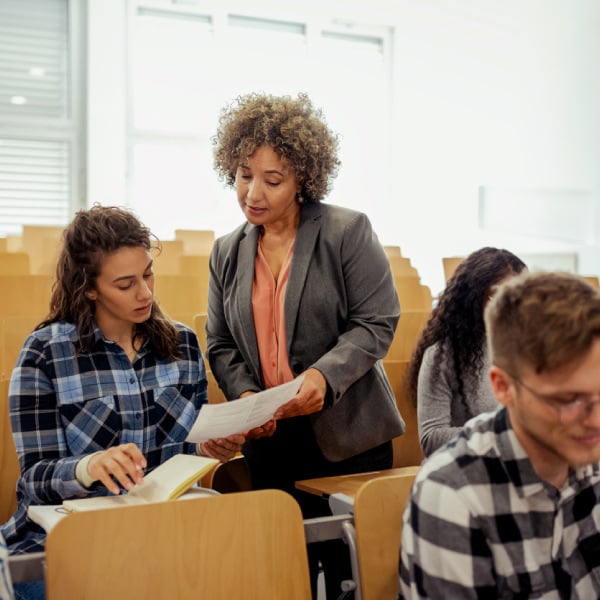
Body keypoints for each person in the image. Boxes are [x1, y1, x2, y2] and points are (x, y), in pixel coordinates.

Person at [207, 92, 404, 599]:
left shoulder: (346, 231)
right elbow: (221, 342)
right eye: (244, 174)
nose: (253, 191)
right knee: (286, 567)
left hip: (347, 436)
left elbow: (376, 321)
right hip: (270, 439)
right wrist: (248, 395)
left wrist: (323, 377)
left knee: (348, 573)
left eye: (272, 180)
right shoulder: (227, 251)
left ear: (303, 182)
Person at [1, 205, 244, 560]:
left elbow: (179, 456)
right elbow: (35, 481)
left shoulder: (184, 344)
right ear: (89, 289)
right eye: (125, 284)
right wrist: (89, 466)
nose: (145, 293)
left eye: (148, 275)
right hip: (66, 540)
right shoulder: (45, 353)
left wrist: (206, 450)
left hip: (160, 530)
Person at [399, 271, 600, 599]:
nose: (595, 420)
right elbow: (431, 434)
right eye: (567, 400)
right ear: (504, 388)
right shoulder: (453, 495)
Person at [407, 247, 526, 456]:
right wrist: (501, 434)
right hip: (468, 472)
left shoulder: (531, 348)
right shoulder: (442, 355)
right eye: (498, 297)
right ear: (473, 299)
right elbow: (431, 438)